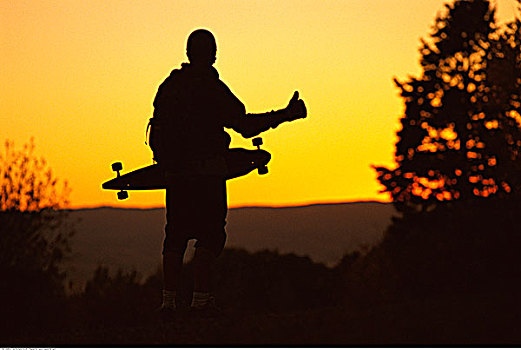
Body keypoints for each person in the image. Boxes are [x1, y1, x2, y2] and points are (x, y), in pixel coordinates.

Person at [154, 29, 307, 317]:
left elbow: (157, 128)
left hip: (174, 175)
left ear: (188, 53)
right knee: (211, 237)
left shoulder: (168, 87)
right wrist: (285, 115)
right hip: (209, 173)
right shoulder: (212, 88)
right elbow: (245, 127)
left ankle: (168, 303)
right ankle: (201, 303)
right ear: (213, 53)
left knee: (174, 236)